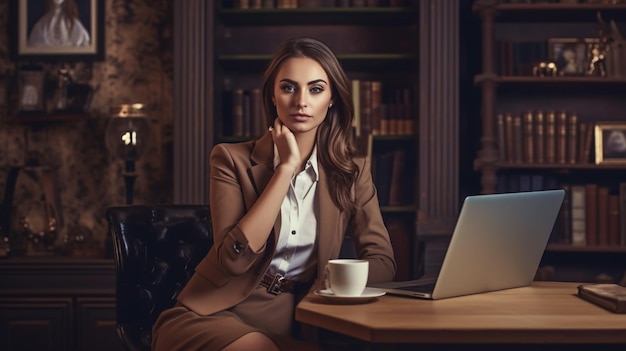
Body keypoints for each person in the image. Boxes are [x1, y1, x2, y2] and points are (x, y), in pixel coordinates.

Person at [152, 37, 397, 350]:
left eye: (316, 88)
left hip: (303, 318)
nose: (301, 102)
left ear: (332, 98)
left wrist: (329, 281)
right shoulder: (230, 159)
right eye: (289, 87)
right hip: (213, 313)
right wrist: (284, 172)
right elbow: (232, 262)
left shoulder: (351, 171)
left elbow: (383, 263)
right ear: (272, 95)